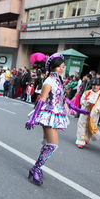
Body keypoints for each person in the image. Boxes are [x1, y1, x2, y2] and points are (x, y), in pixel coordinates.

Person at [25, 53, 89, 185]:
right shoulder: (48, 82)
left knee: (47, 144)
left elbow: (63, 99)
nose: (62, 69)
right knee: (53, 145)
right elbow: (41, 101)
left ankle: (37, 168)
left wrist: (77, 109)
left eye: (63, 66)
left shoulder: (58, 80)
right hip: (49, 114)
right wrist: (33, 119)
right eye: (60, 66)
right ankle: (36, 168)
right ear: (53, 67)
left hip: (56, 114)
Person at [75, 78, 100, 149]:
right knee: (82, 125)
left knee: (90, 126)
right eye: (93, 85)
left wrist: (97, 109)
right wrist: (86, 103)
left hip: (94, 114)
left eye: (97, 85)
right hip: (85, 112)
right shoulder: (87, 92)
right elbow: (82, 101)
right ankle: (80, 141)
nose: (95, 87)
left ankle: (87, 138)